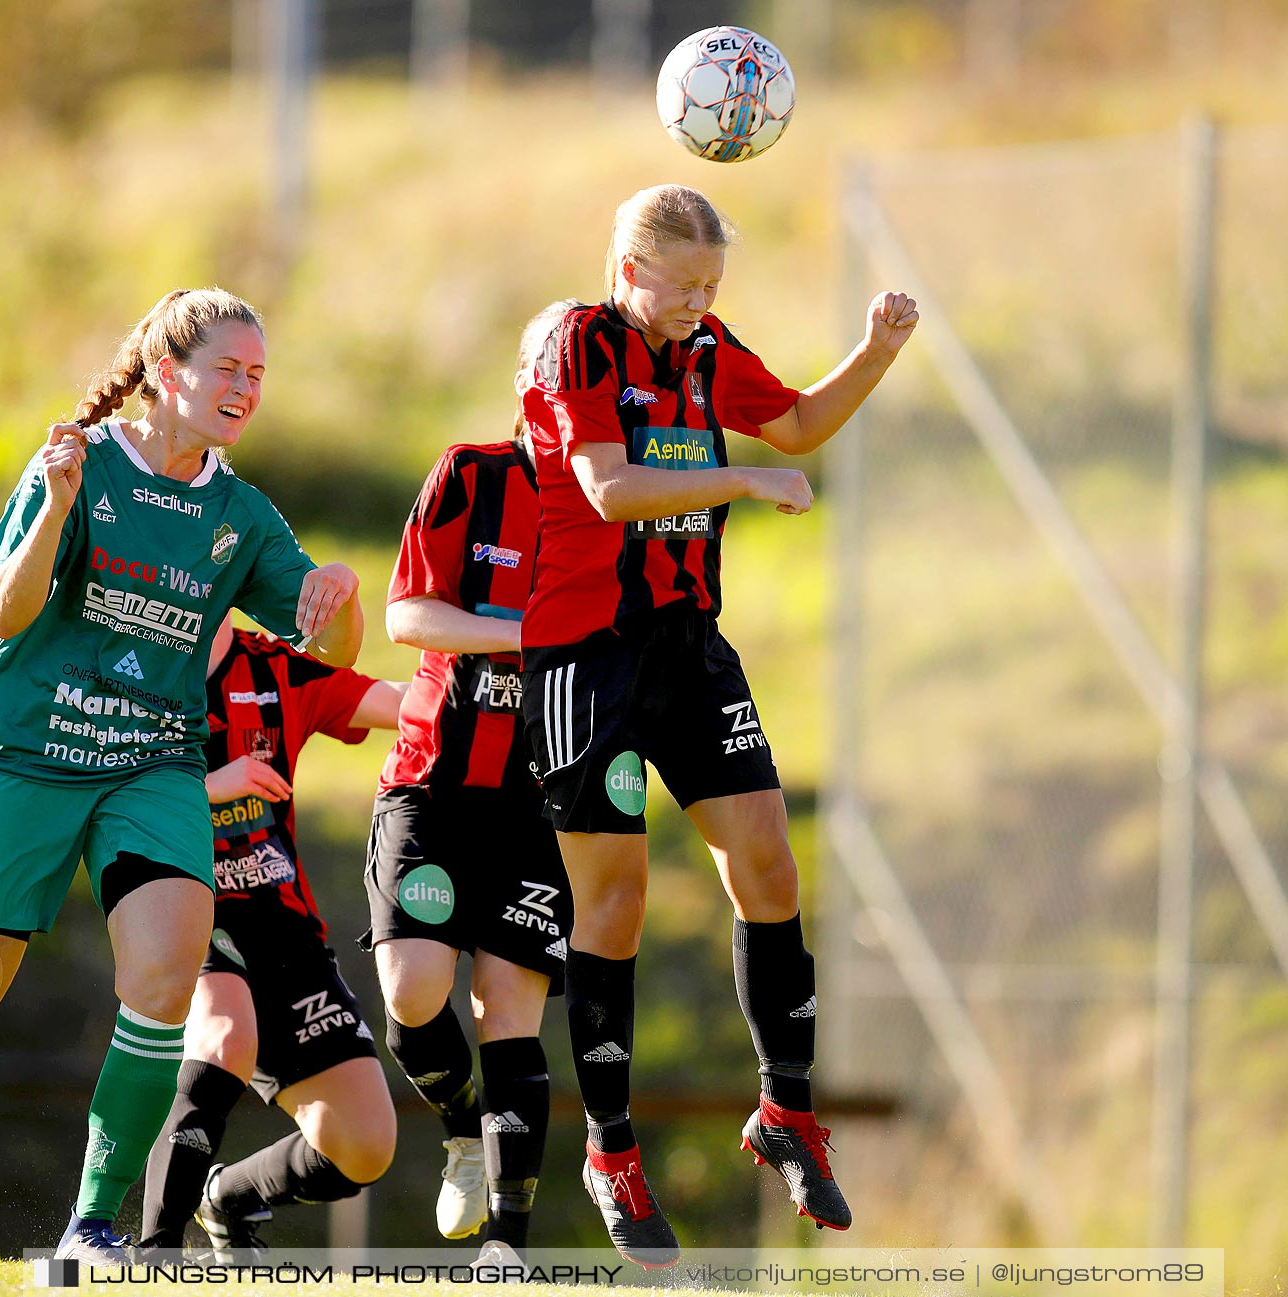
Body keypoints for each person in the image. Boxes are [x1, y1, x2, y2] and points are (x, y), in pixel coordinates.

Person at [0, 288, 364, 1265]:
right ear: (165, 371)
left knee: (163, 972)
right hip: (24, 755)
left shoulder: (240, 511)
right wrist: (57, 507)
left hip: (149, 765)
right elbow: (7, 618)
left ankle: (95, 1223)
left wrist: (340, 599)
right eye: (227, 368)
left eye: (257, 375)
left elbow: (330, 642)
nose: (245, 388)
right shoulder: (77, 461)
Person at [517, 184, 917, 1266]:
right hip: (583, 655)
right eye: (683, 285)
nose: (699, 304)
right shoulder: (575, 344)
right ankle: (611, 1150)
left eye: (713, 287)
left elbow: (791, 420)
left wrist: (874, 351)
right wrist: (738, 473)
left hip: (689, 648)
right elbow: (605, 490)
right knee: (617, 899)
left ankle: (785, 1112)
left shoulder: (705, 348)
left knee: (772, 865)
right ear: (628, 267)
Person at [362, 301, 579, 1268]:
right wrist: (520, 635)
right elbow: (407, 614)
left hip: (541, 801)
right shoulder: (469, 474)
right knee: (414, 993)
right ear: (529, 386)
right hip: (433, 786)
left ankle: (510, 1246)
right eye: (559, 380)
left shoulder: (618, 508)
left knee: (511, 1009)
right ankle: (459, 1125)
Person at [140, 617, 404, 1259]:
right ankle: (154, 1255)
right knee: (226, 1037)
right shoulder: (131, 660)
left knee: (364, 1146)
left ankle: (223, 1198)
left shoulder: (276, 667)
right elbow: (100, 790)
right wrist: (208, 787)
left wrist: (499, 659)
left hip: (282, 923)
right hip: (181, 897)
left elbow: (402, 704)